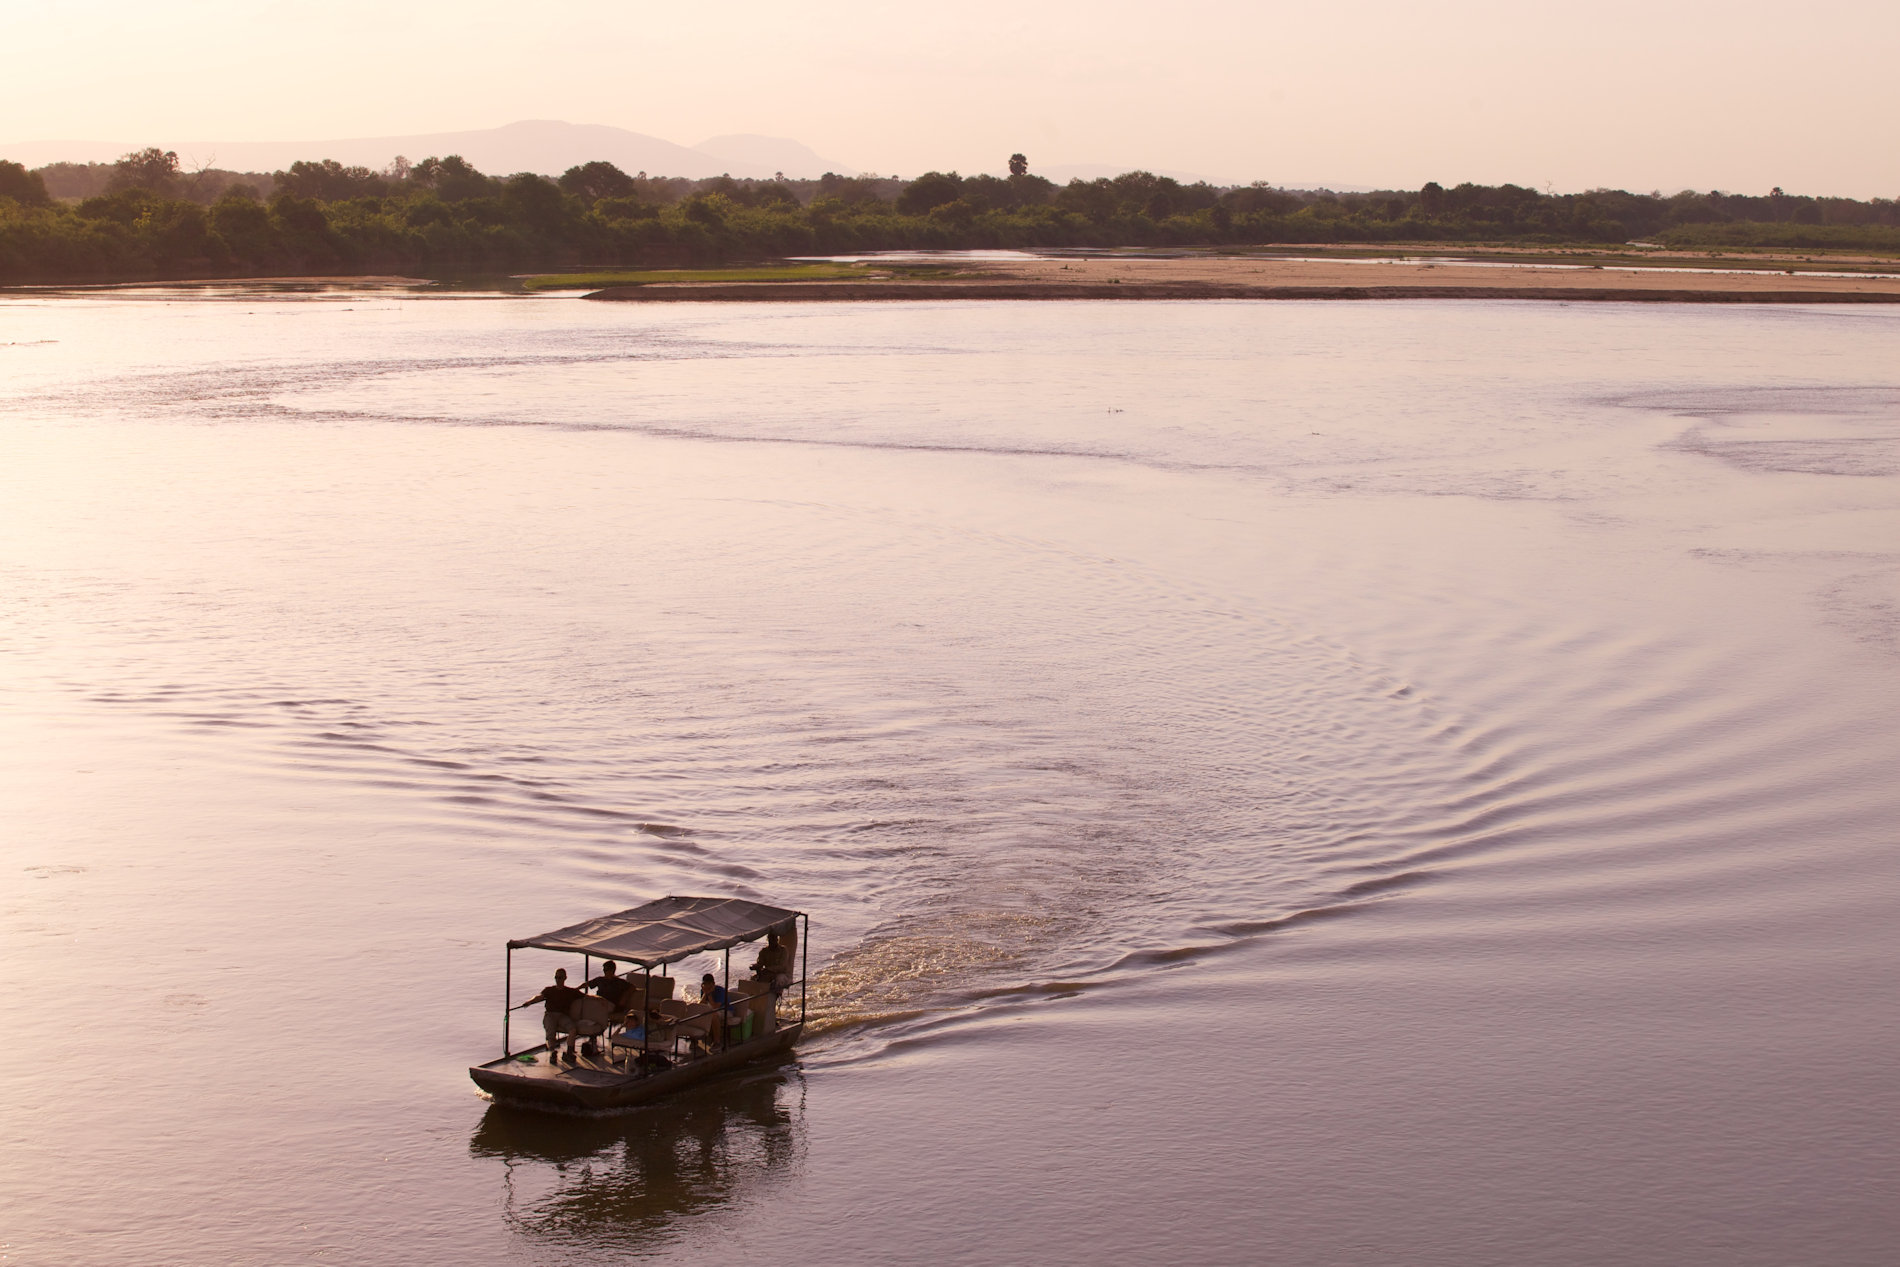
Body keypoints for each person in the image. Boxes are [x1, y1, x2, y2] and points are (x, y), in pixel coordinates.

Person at [518, 967, 585, 1062]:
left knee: (573, 1029)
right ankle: (552, 1052)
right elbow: (539, 997)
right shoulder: (549, 990)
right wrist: (529, 1002)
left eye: (560, 977)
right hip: (550, 1015)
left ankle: (569, 1053)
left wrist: (600, 1001)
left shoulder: (570, 991)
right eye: (556, 977)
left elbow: (585, 996)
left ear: (565, 978)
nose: (558, 980)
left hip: (562, 1016)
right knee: (550, 1033)